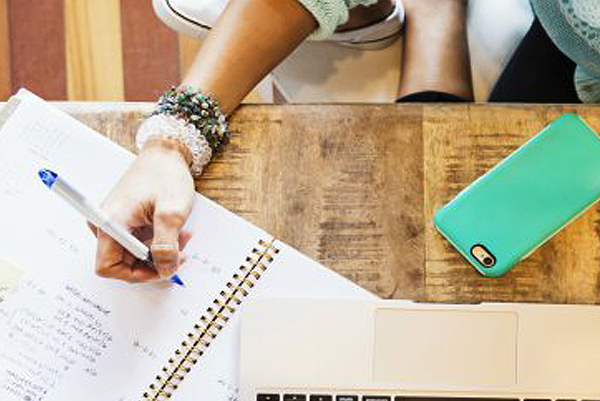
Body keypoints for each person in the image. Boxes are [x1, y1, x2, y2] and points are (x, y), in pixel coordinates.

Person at [97, 0, 600, 283]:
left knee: (476, 228)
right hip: (570, 39)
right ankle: (435, 15)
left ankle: (434, 16)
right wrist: (172, 142)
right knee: (459, 215)